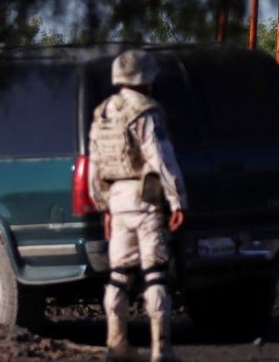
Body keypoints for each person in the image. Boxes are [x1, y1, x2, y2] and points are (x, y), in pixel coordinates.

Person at [88, 49, 188, 362]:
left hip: (116, 200)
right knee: (155, 273)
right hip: (145, 199)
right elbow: (161, 158)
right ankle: (162, 348)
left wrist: (103, 205)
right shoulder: (145, 112)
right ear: (145, 79)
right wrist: (177, 200)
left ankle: (116, 345)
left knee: (118, 274)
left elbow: (95, 166)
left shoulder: (103, 112)